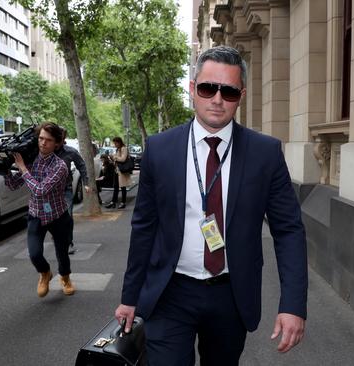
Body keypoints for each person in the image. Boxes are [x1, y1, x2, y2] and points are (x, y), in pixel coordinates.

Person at [115, 46, 308, 365]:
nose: (217, 99)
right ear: (193, 90)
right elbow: (144, 228)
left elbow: (288, 231)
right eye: (208, 88)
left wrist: (293, 304)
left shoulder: (266, 154)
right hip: (169, 292)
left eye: (229, 91)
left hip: (231, 296)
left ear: (241, 95)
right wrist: (129, 296)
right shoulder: (159, 150)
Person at [3, 122, 75, 297]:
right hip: (36, 215)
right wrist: (5, 169)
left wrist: (22, 168)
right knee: (34, 254)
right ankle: (45, 273)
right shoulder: (31, 160)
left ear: (57, 144)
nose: (43, 143)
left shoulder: (60, 166)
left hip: (58, 215)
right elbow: (13, 185)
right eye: (41, 138)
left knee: (62, 252)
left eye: (48, 140)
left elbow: (40, 190)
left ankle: (65, 278)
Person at [55, 128, 90, 254]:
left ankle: (68, 243)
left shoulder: (70, 152)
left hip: (65, 190)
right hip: (49, 192)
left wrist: (86, 183)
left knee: (67, 217)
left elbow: (81, 165)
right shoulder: (46, 151)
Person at [105, 137, 132, 209]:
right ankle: (113, 202)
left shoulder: (124, 148)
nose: (115, 144)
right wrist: (113, 158)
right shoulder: (118, 149)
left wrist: (114, 157)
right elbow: (117, 160)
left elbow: (123, 159)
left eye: (116, 143)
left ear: (119, 142)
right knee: (116, 187)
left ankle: (123, 202)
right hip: (117, 170)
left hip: (122, 171)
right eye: (114, 143)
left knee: (123, 187)